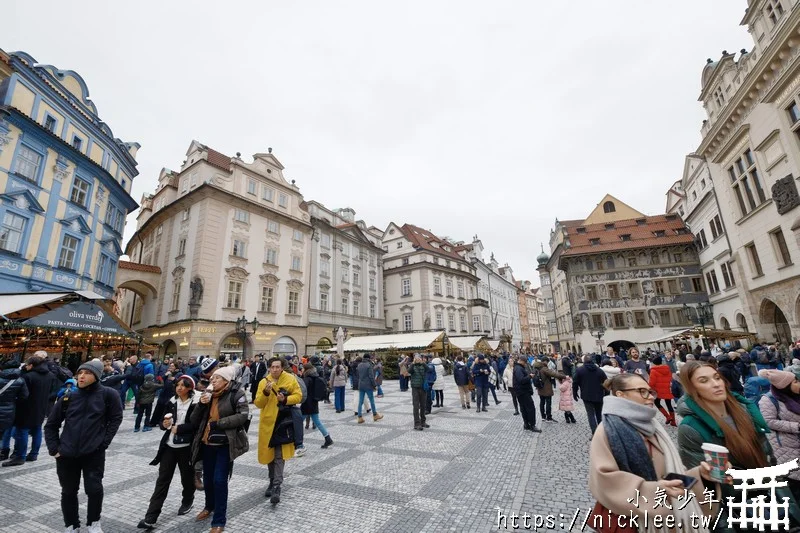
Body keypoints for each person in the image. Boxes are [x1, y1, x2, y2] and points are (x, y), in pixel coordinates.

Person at [677, 361, 800, 529]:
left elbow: (767, 458)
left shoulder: (744, 409)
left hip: (771, 496)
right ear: (692, 388)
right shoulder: (691, 428)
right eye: (704, 381)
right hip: (738, 509)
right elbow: (707, 490)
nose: (715, 384)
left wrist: (788, 501)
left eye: (717, 377)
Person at [589, 373, 716, 531]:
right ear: (621, 395)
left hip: (671, 517)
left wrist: (701, 475)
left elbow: (672, 473)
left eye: (650, 391)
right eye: (642, 391)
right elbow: (605, 480)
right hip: (639, 521)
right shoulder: (607, 430)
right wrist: (654, 491)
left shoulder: (653, 426)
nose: (650, 397)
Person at [44, 358, 123, 533]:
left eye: (87, 373)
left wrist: (104, 443)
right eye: (80, 372)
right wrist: (54, 449)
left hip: (93, 453)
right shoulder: (68, 396)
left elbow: (116, 418)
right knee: (68, 491)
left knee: (94, 490)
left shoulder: (109, 394)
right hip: (66, 454)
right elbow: (50, 425)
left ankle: (93, 522)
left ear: (97, 375)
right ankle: (71, 525)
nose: (82, 376)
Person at [191, 366, 249, 533]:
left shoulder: (236, 393)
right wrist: (201, 405)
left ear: (226, 380)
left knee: (219, 480)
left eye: (217, 378)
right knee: (208, 479)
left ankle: (219, 521)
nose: (213, 380)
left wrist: (219, 424)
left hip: (225, 443)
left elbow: (243, 415)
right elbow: (194, 420)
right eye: (212, 378)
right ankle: (209, 506)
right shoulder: (207, 395)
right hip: (206, 443)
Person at [137, 375, 199, 530]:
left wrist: (181, 428)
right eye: (178, 385)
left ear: (190, 388)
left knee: (187, 477)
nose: (179, 388)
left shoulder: (196, 403)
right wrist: (164, 424)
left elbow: (197, 425)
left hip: (186, 447)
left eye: (183, 386)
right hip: (169, 446)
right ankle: (151, 517)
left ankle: (187, 500)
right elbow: (161, 423)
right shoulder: (171, 402)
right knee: (162, 480)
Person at [255, 357, 301, 505]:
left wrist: (285, 399)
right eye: (272, 367)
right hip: (268, 423)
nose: (275, 369)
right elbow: (258, 403)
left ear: (282, 368)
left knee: (279, 456)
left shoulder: (290, 379)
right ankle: (271, 480)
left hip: (283, 422)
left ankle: (276, 486)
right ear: (269, 368)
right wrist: (266, 393)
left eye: (277, 367)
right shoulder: (264, 382)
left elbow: (299, 396)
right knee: (270, 456)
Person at [2, 354, 56, 466]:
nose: (25, 366)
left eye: (27, 364)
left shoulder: (28, 376)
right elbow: (52, 390)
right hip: (41, 408)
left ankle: (20, 456)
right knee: (37, 431)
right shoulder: (50, 375)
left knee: (21, 432)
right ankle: (33, 454)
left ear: (31, 365)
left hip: (26, 408)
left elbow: (23, 394)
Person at [757, 369, 800, 501]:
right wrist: (796, 427)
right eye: (796, 381)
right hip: (787, 446)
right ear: (785, 385)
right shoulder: (768, 400)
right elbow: (768, 421)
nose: (799, 383)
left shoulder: (796, 395)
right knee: (796, 480)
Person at [573, 355, 607, 437]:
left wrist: (575, 393)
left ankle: (594, 433)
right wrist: (606, 393)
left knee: (590, 414)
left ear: (584, 361)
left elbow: (575, 382)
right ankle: (602, 432)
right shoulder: (599, 370)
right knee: (599, 414)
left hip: (586, 395)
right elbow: (606, 382)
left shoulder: (580, 370)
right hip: (599, 394)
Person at [301, 363, 333, 448]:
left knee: (298, 422)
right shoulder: (315, 376)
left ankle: (298, 443)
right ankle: (328, 438)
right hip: (314, 402)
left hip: (307, 403)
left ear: (306, 369)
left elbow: (303, 390)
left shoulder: (307, 379)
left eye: (302, 369)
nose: (301, 370)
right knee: (317, 422)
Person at [513, 355, 541, 433]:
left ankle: (526, 424)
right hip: (523, 392)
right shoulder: (518, 368)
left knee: (524, 408)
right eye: (525, 362)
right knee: (530, 408)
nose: (525, 364)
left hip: (521, 392)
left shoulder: (518, 367)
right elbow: (521, 380)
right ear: (521, 361)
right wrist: (530, 376)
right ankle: (532, 425)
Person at [648, 356, 676, 426]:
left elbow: (652, 383)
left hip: (657, 390)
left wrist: (650, 389)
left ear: (654, 363)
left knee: (657, 403)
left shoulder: (653, 370)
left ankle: (667, 416)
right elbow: (670, 378)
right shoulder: (667, 369)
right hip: (667, 389)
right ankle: (673, 421)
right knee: (669, 405)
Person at [356, 354, 383, 424]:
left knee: (360, 401)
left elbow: (358, 375)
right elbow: (371, 376)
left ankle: (359, 417)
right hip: (368, 385)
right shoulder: (369, 365)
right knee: (371, 400)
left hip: (361, 385)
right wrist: (374, 385)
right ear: (368, 358)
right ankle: (375, 415)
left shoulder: (359, 365)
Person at [408, 354, 429, 430]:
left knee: (423, 405)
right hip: (415, 388)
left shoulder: (423, 365)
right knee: (416, 406)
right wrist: (413, 364)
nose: (417, 359)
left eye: (419, 358)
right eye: (416, 358)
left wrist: (423, 363)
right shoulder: (412, 366)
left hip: (423, 388)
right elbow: (409, 371)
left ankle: (423, 422)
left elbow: (429, 370)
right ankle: (417, 423)